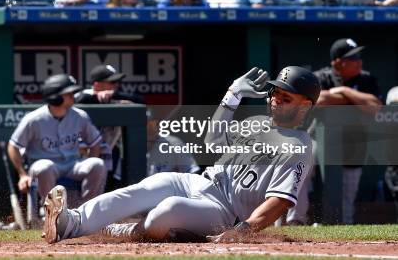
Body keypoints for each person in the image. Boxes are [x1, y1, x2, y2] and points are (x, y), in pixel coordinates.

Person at [43, 66, 320, 243]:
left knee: (166, 211)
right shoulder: (255, 123)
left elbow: (280, 201)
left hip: (225, 211)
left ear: (305, 106)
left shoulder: (299, 145)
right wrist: (233, 95)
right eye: (275, 93)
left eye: (286, 98)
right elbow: (212, 141)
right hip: (199, 182)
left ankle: (128, 231)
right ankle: (71, 222)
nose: (275, 100)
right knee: (146, 187)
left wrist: (242, 231)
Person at [8, 74, 106, 206]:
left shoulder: (79, 116)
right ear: (55, 96)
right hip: (45, 165)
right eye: (68, 93)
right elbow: (13, 146)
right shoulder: (34, 119)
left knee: (97, 164)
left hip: (73, 165)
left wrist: (91, 157)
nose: (73, 96)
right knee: (44, 167)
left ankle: (86, 209)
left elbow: (95, 142)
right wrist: (22, 174)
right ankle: (51, 210)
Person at [314, 38, 382, 224]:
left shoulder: (367, 79)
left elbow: (375, 106)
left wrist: (344, 91)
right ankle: (298, 223)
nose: (359, 61)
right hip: (320, 145)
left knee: (347, 199)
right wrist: (355, 101)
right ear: (337, 61)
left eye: (359, 57)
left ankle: (344, 234)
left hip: (354, 144)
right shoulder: (321, 77)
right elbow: (317, 101)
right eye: (353, 58)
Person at [76, 64, 144, 189]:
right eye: (112, 82)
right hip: (83, 154)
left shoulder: (114, 97)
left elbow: (140, 100)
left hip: (110, 153)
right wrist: (96, 96)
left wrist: (114, 95)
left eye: (117, 81)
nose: (116, 85)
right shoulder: (84, 96)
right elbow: (80, 99)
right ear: (96, 85)